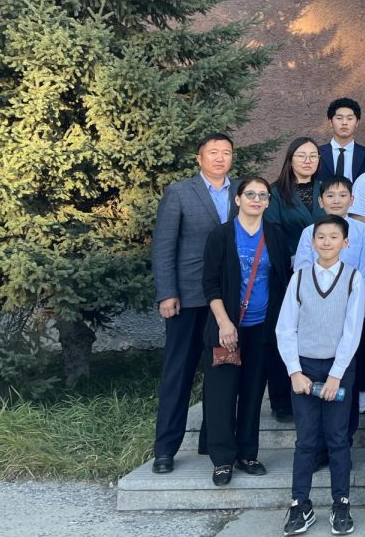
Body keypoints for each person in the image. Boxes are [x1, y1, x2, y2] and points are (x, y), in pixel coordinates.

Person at [150, 133, 237, 474]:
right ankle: (165, 449)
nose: (220, 158)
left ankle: (211, 441)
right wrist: (167, 292)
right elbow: (164, 245)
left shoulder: (241, 191)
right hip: (186, 298)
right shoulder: (180, 192)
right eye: (213, 152)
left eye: (226, 153)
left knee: (221, 372)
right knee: (179, 372)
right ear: (200, 158)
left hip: (226, 302)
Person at [276, 214, 365, 537]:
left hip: (337, 369)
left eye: (333, 237)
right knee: (306, 441)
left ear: (345, 243)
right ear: (312, 242)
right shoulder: (299, 278)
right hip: (304, 368)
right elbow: (285, 327)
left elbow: (352, 330)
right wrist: (294, 371)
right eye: (321, 237)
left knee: (338, 439)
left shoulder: (354, 278)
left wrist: (336, 375)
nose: (326, 242)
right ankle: (300, 504)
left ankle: (341, 503)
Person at [201, 177, 289, 487]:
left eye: (262, 195)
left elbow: (282, 281)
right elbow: (210, 284)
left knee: (253, 393)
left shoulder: (275, 236)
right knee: (223, 393)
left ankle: (247, 454)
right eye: (249, 194)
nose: (256, 199)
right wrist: (225, 323)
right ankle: (223, 460)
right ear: (238, 200)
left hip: (262, 328)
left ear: (267, 202)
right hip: (227, 329)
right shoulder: (222, 235)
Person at [295, 177, 365, 422]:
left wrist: (352, 300)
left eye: (343, 195)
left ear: (352, 201)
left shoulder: (363, 231)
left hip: (352, 305)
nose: (336, 200)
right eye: (330, 195)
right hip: (316, 311)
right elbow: (302, 270)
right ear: (321, 201)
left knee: (351, 358)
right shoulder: (309, 233)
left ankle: (351, 418)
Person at [266, 137, 324, 421]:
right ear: (290, 160)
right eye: (301, 155)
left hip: (326, 277)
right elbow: (273, 233)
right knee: (286, 334)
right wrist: (291, 261)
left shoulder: (326, 190)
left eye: (313, 155)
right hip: (288, 275)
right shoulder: (276, 193)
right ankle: (281, 401)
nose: (308, 161)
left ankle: (316, 392)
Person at [317, 97, 365, 183]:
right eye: (339, 118)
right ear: (330, 122)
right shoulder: (317, 154)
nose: (344, 123)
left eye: (350, 118)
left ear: (357, 122)